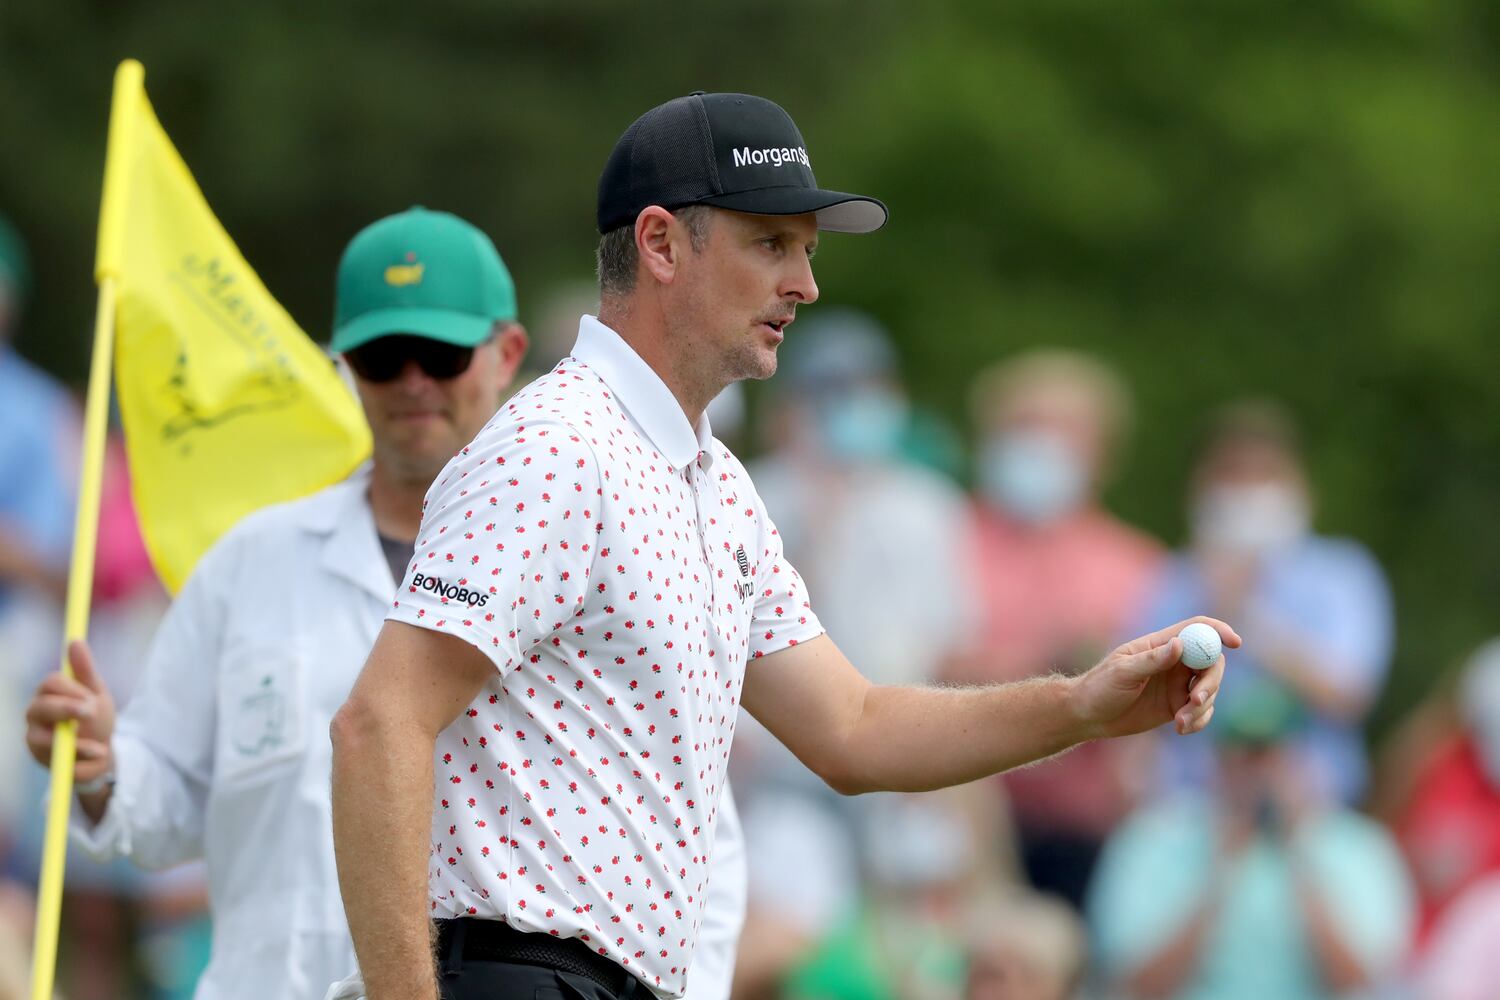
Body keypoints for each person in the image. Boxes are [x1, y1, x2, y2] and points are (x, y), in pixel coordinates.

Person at [329, 91, 1234, 1000]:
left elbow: (855, 729)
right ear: (659, 244)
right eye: (770, 244)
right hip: (522, 977)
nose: (805, 283)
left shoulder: (716, 484)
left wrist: (1080, 705)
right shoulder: (557, 447)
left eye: (806, 250)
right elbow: (380, 723)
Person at [21, 207, 532, 1000]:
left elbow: (679, 833)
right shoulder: (250, 562)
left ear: (507, 354)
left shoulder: (574, 566)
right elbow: (162, 800)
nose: (412, 381)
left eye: (441, 352)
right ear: (341, 364)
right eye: (381, 356)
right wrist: (99, 765)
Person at [944, 350, 1165, 907]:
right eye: (1025, 427)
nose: (1041, 446)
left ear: (1101, 454)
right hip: (965, 819)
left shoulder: (1136, 566)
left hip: (1093, 831)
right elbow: (925, 667)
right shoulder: (946, 540)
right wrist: (1053, 662)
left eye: (1062, 431)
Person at [1086, 680, 1414, 1000]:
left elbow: (1358, 980)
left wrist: (1296, 852)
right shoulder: (1154, 836)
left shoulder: (1360, 847)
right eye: (1245, 757)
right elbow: (1139, 982)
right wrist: (1221, 871)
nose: (1259, 775)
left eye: (1272, 757)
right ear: (1217, 761)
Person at [1137, 399, 1393, 806]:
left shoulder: (1342, 573)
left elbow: (1348, 695)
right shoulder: (1171, 578)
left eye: (1264, 475)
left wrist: (1244, 614)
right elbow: (1137, 699)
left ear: (1300, 486)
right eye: (1232, 475)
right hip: (1191, 807)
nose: (1247, 491)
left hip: (1316, 808)